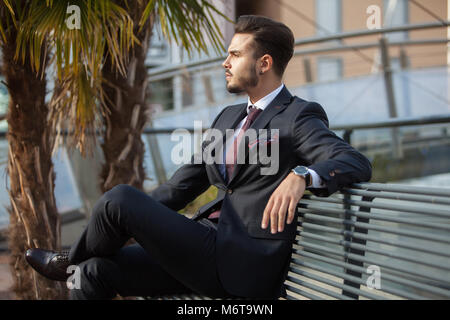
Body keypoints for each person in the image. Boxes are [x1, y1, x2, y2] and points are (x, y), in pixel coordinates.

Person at [25, 15, 372, 300]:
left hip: (243, 264)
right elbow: (179, 188)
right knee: (91, 272)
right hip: (204, 248)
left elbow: (354, 161)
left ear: (264, 63)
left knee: (119, 198)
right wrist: (139, 222)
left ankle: (68, 256)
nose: (226, 62)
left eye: (235, 55)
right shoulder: (228, 118)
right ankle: (77, 260)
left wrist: (302, 174)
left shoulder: (297, 116)